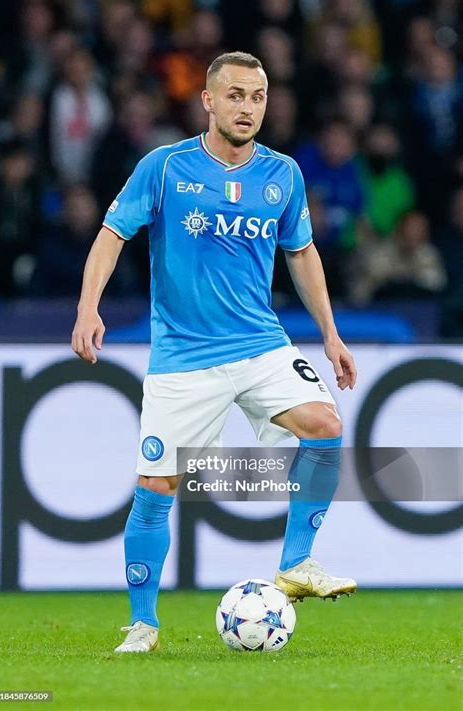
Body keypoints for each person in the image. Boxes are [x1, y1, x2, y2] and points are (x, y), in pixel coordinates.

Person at [72, 52, 357, 654]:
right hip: (184, 356)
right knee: (156, 489)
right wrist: (88, 307)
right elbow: (112, 233)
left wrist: (329, 333)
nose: (246, 107)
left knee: (326, 426)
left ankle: (296, 565)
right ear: (207, 100)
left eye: (256, 97)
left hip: (261, 344)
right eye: (234, 96)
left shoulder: (283, 174)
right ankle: (144, 624)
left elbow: (301, 254)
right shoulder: (166, 167)